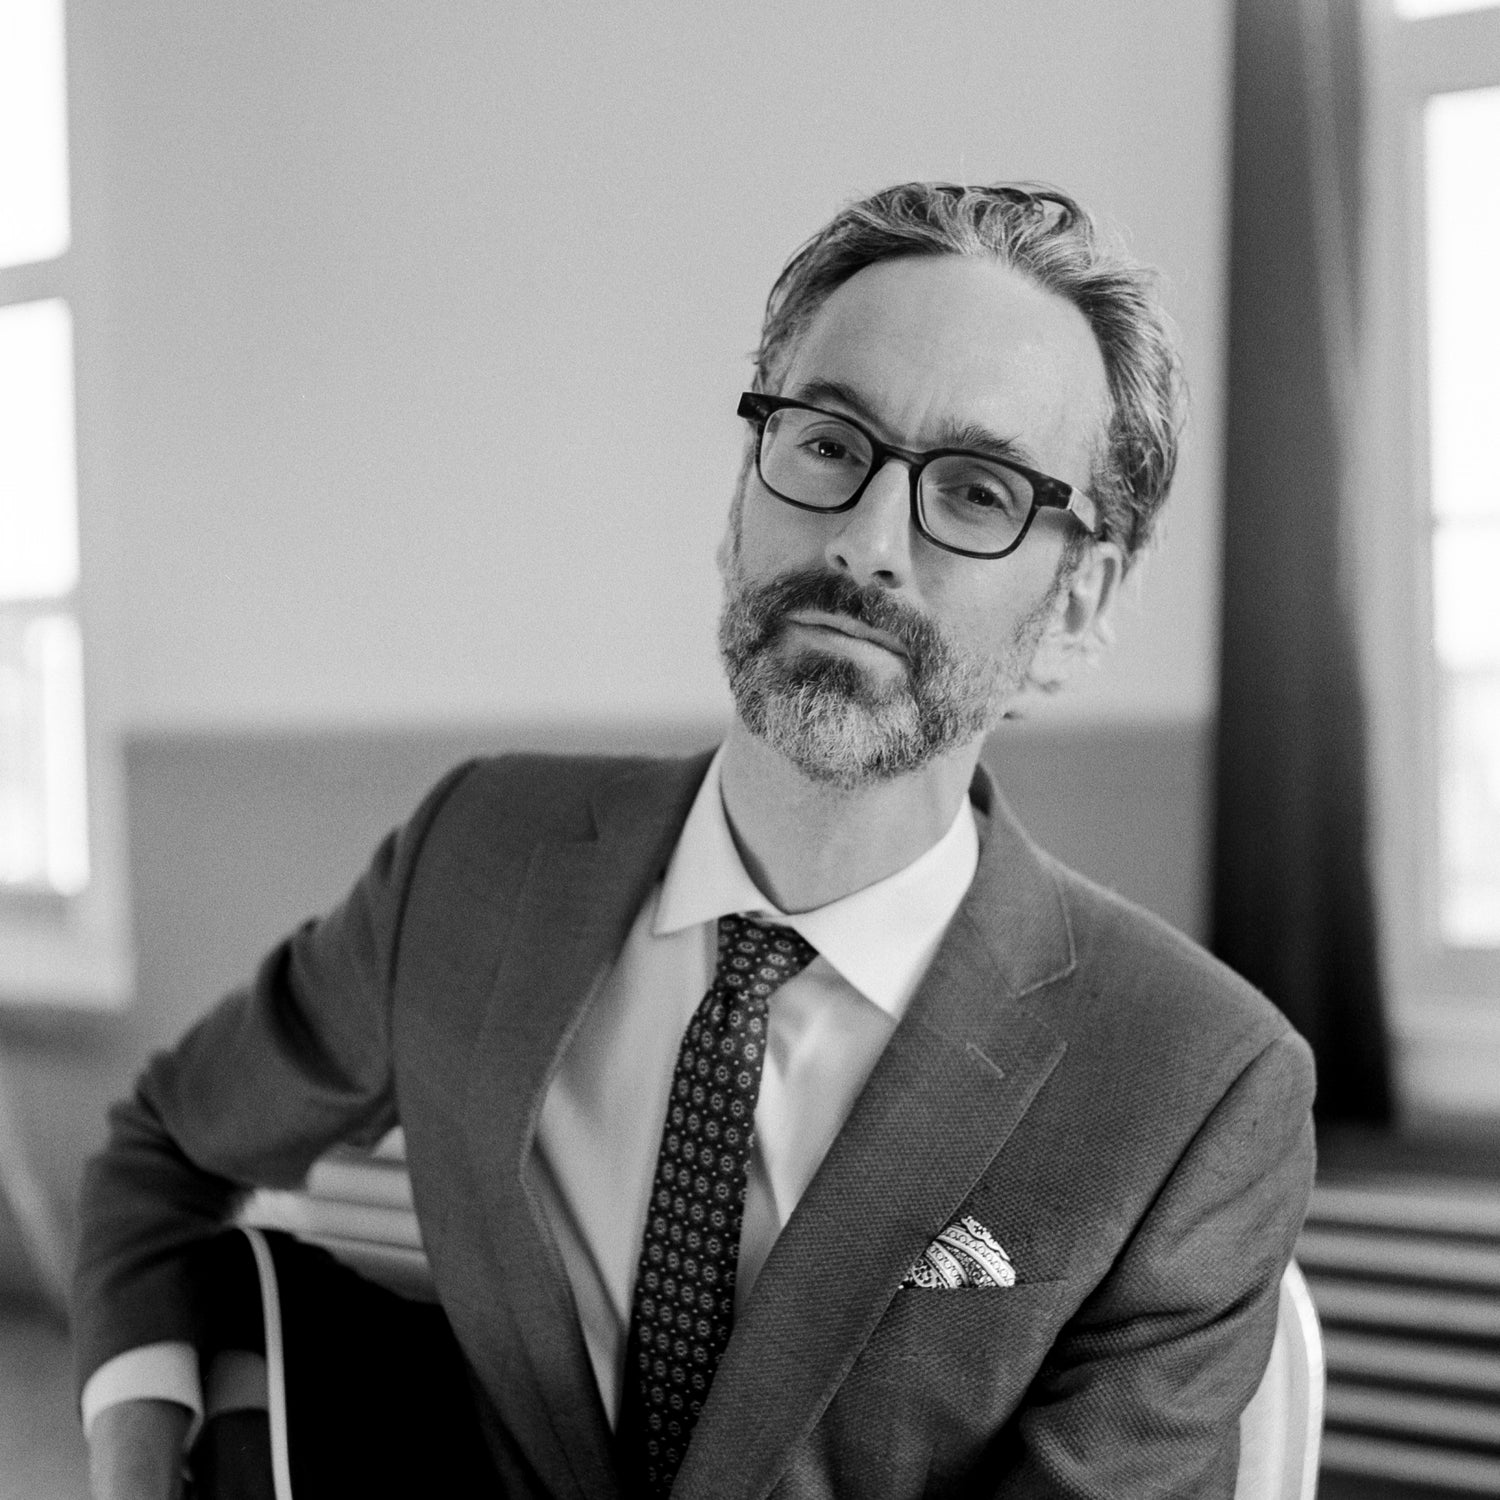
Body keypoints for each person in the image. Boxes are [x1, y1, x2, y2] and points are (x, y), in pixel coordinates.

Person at [74, 181, 1316, 1499]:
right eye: (829, 443)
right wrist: (138, 1447)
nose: (866, 541)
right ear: (743, 488)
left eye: (976, 488)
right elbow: (165, 1154)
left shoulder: (1197, 1089)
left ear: (1079, 597)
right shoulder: (477, 856)